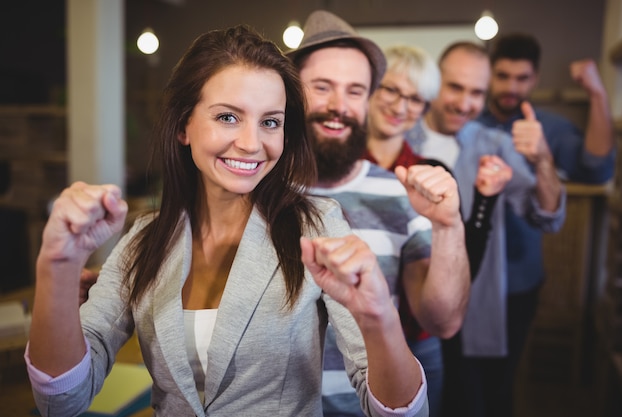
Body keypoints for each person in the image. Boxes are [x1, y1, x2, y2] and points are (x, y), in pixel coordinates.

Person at [25, 25, 428, 417]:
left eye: (270, 122)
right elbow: (62, 401)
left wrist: (379, 318)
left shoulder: (316, 224)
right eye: (228, 117)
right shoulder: (143, 240)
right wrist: (57, 268)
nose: (252, 144)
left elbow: (400, 411)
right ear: (183, 125)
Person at [288, 10, 470, 417]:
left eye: (355, 91)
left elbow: (442, 321)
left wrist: (447, 225)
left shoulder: (399, 192)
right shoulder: (258, 188)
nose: (339, 106)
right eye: (322, 87)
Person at [406, 41, 566, 417]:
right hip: (404, 307)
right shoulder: (401, 134)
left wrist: (543, 158)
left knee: (473, 402)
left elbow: (549, 216)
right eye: (455, 87)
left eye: (477, 92)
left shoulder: (494, 144)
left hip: (471, 304)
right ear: (435, 83)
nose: (465, 103)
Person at [364, 44, 514, 417]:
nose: (401, 107)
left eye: (415, 98)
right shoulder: (336, 167)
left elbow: (463, 270)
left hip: (418, 343)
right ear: (370, 89)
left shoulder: (431, 173)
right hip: (342, 343)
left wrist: (483, 199)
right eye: (392, 90)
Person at [475, 32, 616, 416]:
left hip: (519, 278)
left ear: (534, 78)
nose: (510, 87)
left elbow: (598, 166)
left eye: (521, 78)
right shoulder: (466, 118)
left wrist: (598, 95)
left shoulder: (548, 127)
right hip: (464, 277)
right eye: (502, 76)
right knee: (462, 382)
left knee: (501, 385)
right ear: (490, 74)